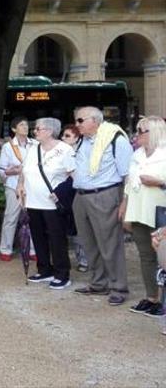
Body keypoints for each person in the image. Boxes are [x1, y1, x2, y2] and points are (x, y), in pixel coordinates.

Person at [71, 106, 132, 305]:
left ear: (95, 121)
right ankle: (99, 282)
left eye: (80, 120)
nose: (77, 124)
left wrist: (125, 201)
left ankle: (118, 287)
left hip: (104, 195)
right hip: (81, 196)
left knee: (110, 243)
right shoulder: (83, 141)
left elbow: (127, 174)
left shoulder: (116, 140)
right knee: (89, 243)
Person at [17, 118, 76, 290]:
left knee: (57, 238)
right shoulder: (32, 148)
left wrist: (61, 193)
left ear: (50, 131)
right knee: (38, 236)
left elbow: (74, 176)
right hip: (32, 201)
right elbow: (24, 170)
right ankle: (44, 269)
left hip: (52, 203)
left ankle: (62, 273)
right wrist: (20, 184)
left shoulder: (64, 150)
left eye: (38, 129)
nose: (35, 131)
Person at [120, 116, 166, 317]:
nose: (137, 135)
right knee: (146, 256)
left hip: (160, 211)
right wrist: (124, 205)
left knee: (163, 258)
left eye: (141, 131)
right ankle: (152, 297)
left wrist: (158, 182)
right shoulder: (137, 154)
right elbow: (130, 183)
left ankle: (163, 300)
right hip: (138, 210)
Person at [0, 117, 36, 262]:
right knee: (11, 217)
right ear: (14, 129)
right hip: (13, 185)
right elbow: (1, 169)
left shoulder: (35, 144)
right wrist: (10, 171)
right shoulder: (8, 147)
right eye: (21, 125)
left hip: (32, 186)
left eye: (26, 124)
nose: (25, 127)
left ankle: (33, 249)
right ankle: (5, 249)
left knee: (33, 218)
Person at [60, 125, 89, 272]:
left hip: (78, 191)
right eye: (63, 136)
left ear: (77, 138)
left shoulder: (81, 153)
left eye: (67, 136)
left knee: (80, 226)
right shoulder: (61, 152)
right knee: (72, 226)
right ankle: (80, 259)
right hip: (67, 193)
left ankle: (85, 260)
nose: (63, 139)